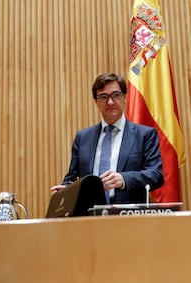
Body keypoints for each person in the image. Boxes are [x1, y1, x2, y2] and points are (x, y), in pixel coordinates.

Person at [50, 72, 164, 204]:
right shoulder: (82, 138)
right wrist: (66, 191)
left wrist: (124, 179)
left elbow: (156, 175)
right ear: (96, 102)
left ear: (124, 98)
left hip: (129, 217)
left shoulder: (144, 135)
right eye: (103, 97)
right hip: (89, 217)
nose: (110, 102)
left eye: (116, 95)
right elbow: (72, 178)